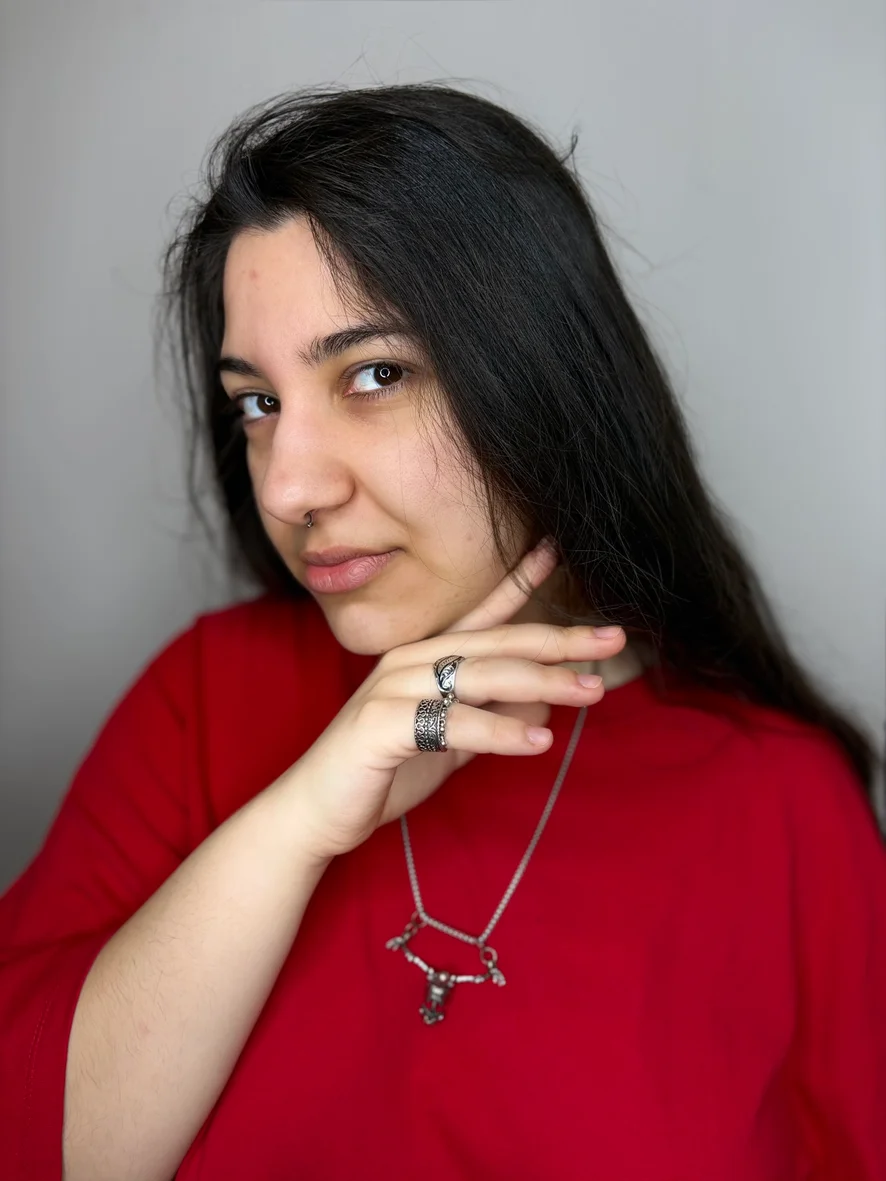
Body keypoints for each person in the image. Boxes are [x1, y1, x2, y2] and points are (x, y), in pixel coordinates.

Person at [0, 81, 884, 1181]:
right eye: (257, 403)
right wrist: (294, 825)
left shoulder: (780, 805)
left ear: (539, 378)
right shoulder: (203, 700)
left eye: (373, 375)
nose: (289, 487)